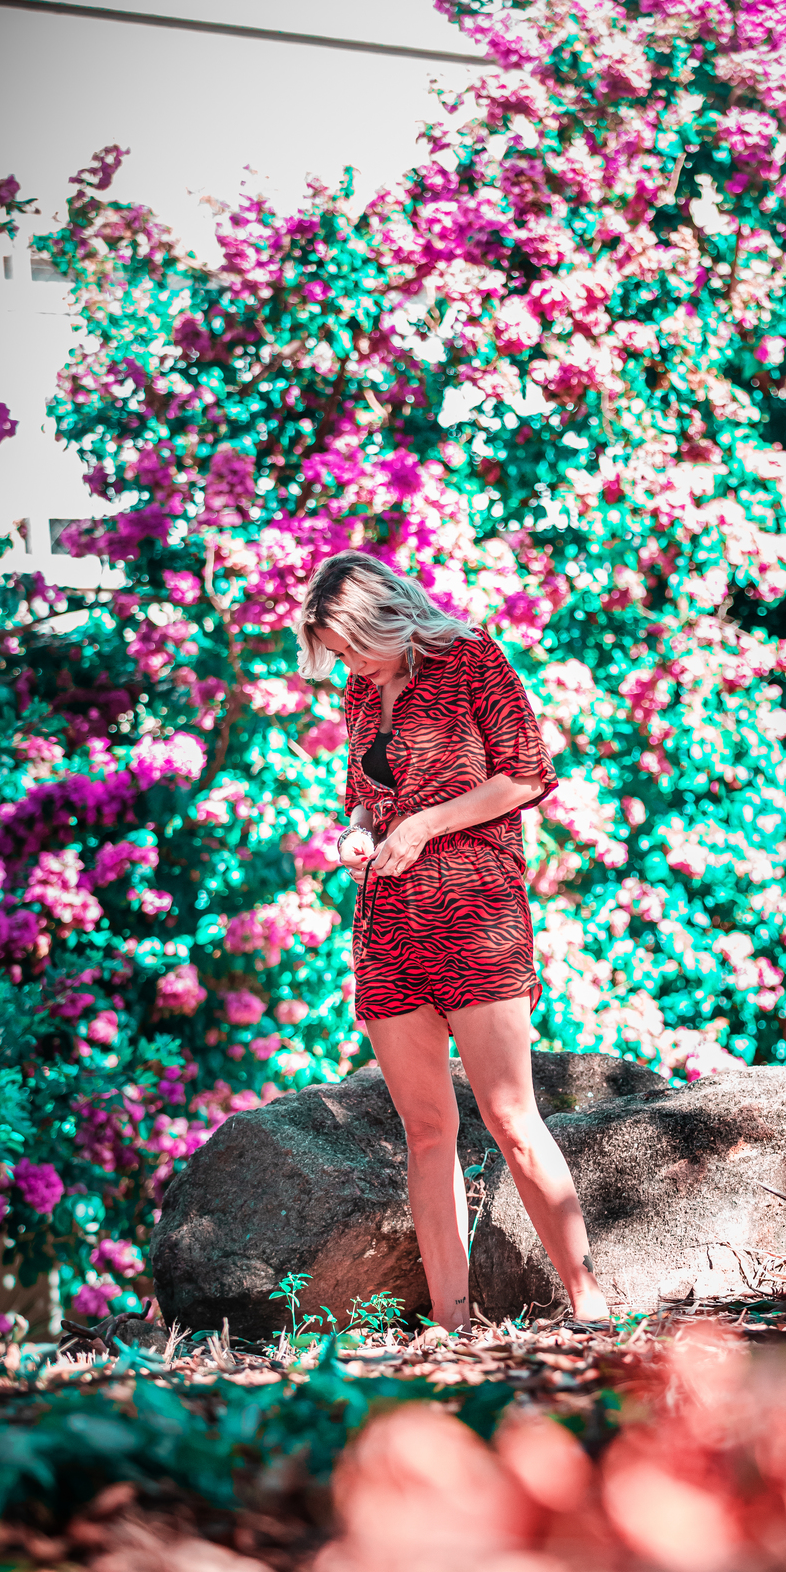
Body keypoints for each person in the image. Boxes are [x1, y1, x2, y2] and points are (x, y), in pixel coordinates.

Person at [296, 552, 611, 1337]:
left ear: (386, 618)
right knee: (427, 1131)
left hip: (478, 912)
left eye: (350, 645)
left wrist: (425, 825)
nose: (347, 663)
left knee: (510, 1117)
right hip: (388, 926)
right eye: (336, 653)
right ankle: (451, 1321)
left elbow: (527, 775)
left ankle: (590, 1303)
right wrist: (357, 835)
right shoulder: (363, 692)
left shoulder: (473, 658)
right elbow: (367, 801)